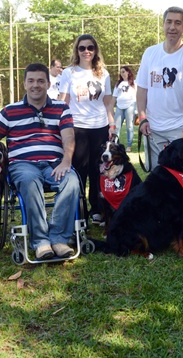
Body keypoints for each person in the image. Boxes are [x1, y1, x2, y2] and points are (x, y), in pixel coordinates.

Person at [0, 63, 78, 260]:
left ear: (48, 83)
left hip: (55, 163)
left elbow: (69, 137)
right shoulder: (9, 111)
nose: (35, 85)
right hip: (22, 164)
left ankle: (59, 239)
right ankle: (41, 242)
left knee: (72, 182)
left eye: (40, 81)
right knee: (29, 181)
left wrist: (66, 161)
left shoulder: (61, 108)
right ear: (24, 84)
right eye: (31, 81)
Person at [136, 6, 183, 234]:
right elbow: (141, 89)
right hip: (154, 127)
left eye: (178, 23)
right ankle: (162, 216)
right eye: (169, 22)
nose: (172, 27)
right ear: (163, 24)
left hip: (180, 128)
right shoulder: (150, 53)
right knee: (159, 174)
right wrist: (142, 119)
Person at [58, 35, 116, 225]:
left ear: (95, 50)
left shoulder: (103, 74)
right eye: (82, 48)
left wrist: (112, 124)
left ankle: (97, 209)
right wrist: (59, 125)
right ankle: (79, 208)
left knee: (98, 169)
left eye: (90, 47)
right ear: (77, 51)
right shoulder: (69, 73)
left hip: (100, 126)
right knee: (80, 169)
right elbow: (63, 101)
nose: (86, 51)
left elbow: (108, 102)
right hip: (77, 128)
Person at [112, 66, 137, 152]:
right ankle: (115, 144)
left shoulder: (134, 83)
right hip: (119, 106)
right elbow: (114, 96)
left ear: (128, 72)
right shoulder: (118, 84)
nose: (122, 74)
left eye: (123, 72)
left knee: (129, 127)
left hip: (130, 106)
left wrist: (137, 109)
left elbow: (138, 96)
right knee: (117, 127)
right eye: (121, 72)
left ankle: (129, 146)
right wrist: (111, 107)